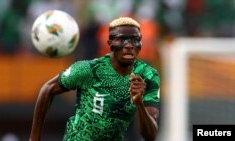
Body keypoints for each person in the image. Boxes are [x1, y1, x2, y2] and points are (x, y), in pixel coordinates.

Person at [29, 17, 160, 141]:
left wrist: (139, 103)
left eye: (134, 40)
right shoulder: (88, 69)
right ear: (110, 43)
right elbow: (48, 88)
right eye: (122, 39)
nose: (129, 45)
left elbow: (150, 135)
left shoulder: (148, 76)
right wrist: (34, 137)